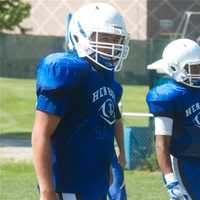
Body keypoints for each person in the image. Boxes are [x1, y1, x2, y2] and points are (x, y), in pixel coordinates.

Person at [32, 2, 129, 200]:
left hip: (94, 182)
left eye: (116, 39)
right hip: (68, 185)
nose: (111, 45)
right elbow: (40, 134)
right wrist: (47, 190)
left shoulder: (108, 80)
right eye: (104, 38)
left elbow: (108, 122)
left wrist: (112, 160)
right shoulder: (66, 70)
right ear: (79, 35)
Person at [146, 38, 200, 200]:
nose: (198, 72)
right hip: (183, 162)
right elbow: (162, 143)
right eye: (193, 68)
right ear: (174, 68)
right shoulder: (168, 96)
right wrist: (170, 178)